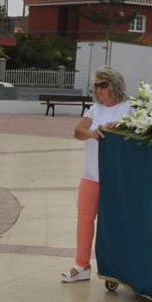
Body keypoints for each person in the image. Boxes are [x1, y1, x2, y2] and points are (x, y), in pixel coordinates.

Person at [62, 66, 132, 283]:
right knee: (84, 219)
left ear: (115, 85)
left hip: (115, 177)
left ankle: (114, 267)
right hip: (91, 175)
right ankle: (81, 265)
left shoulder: (129, 107)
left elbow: (135, 132)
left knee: (113, 222)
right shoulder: (94, 110)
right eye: (96, 85)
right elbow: (77, 131)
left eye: (103, 85)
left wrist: (121, 127)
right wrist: (91, 133)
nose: (99, 89)